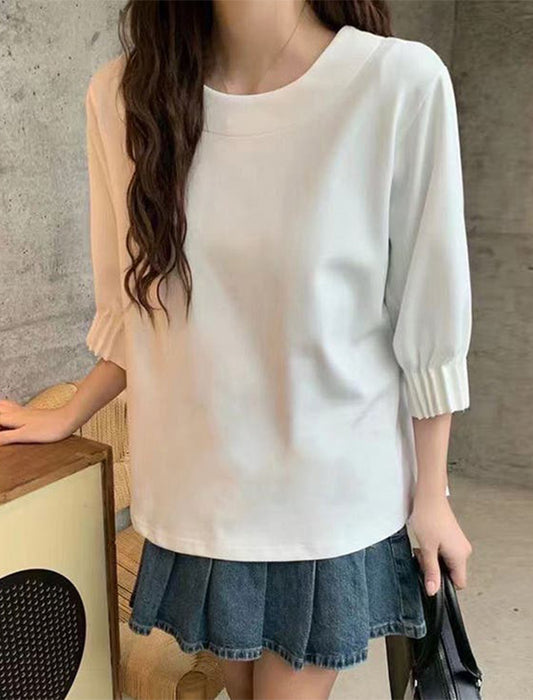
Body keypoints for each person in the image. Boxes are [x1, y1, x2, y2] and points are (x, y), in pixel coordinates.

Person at [0, 1, 474, 698]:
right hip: (201, 492)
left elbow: (427, 312)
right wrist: (70, 411)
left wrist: (432, 495)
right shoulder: (123, 95)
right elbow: (140, 310)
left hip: (327, 495)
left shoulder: (396, 83)